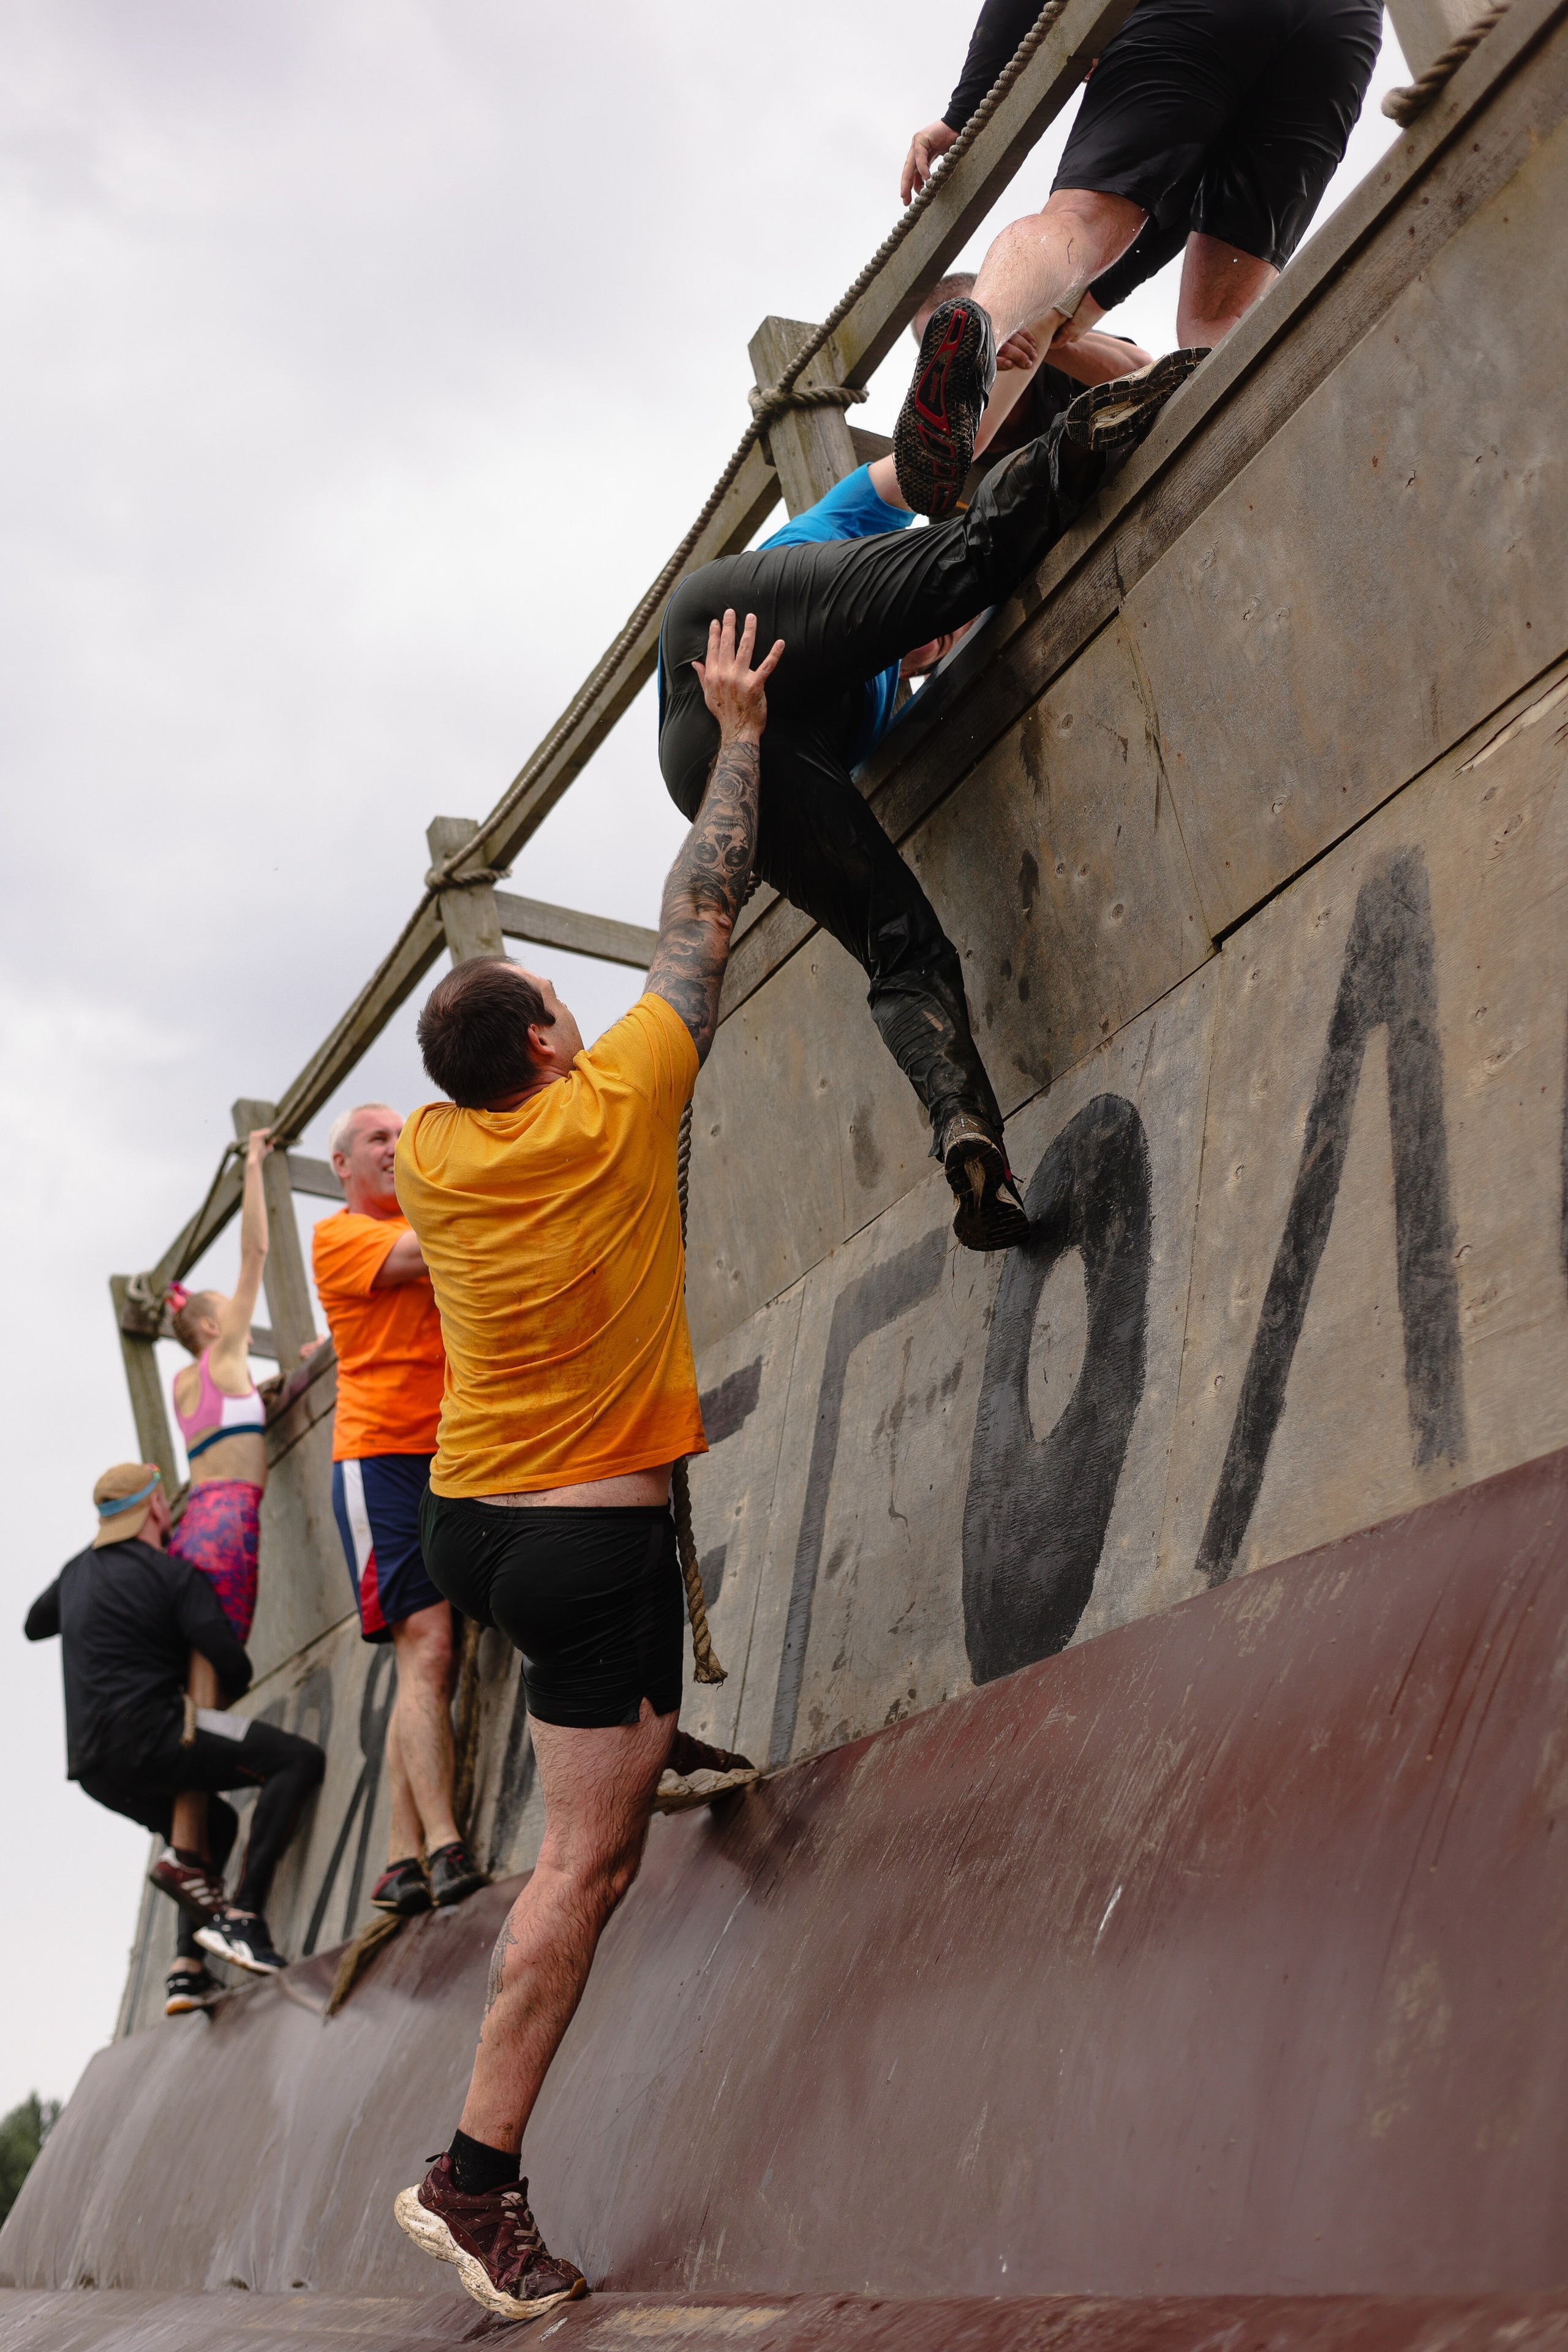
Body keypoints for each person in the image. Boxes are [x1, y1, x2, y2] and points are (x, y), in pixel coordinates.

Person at [388, 611, 779, 2320]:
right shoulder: (616, 1104)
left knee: (601, 1727)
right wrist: (739, 728)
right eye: (558, 1000)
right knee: (585, 1867)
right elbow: (705, 908)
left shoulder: (432, 1151)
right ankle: (472, 2181)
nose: (576, 1008)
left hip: (470, 1526)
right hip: (577, 1548)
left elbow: (665, 944)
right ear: (551, 1048)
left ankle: (626, 1726)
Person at [658, 358, 1197, 1252]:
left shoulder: (883, 706)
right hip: (722, 632)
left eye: (939, 645)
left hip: (726, 756)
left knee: (899, 942)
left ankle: (967, 1137)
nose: (933, 641)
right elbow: (901, 481)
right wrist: (939, 437)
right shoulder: (838, 531)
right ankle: (1086, 430)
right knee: (966, 562)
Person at [892, 0, 1381, 513]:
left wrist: (963, 112)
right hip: (1342, 26)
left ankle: (985, 324)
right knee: (1219, 323)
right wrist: (1095, 299)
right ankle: (1293, 481)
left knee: (1079, 224)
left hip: (1196, 16)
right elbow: (1184, 188)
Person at [24, 1463, 325, 2009]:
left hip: (95, 1768)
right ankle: (244, 1916)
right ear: (158, 1507)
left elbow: (33, 1624)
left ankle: (187, 1968)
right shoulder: (174, 1575)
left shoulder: (74, 1575)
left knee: (216, 1825)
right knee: (296, 1760)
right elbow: (231, 1664)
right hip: (161, 1736)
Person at [312, 1101, 486, 1917]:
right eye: (377, 1138)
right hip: (380, 1456)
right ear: (342, 1165)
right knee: (429, 1643)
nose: (395, 1147)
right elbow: (428, 1251)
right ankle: (446, 1845)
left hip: (450, 1446)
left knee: (424, 1656)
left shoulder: (416, 1217)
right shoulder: (339, 1235)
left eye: (401, 1134)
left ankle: (396, 1857)